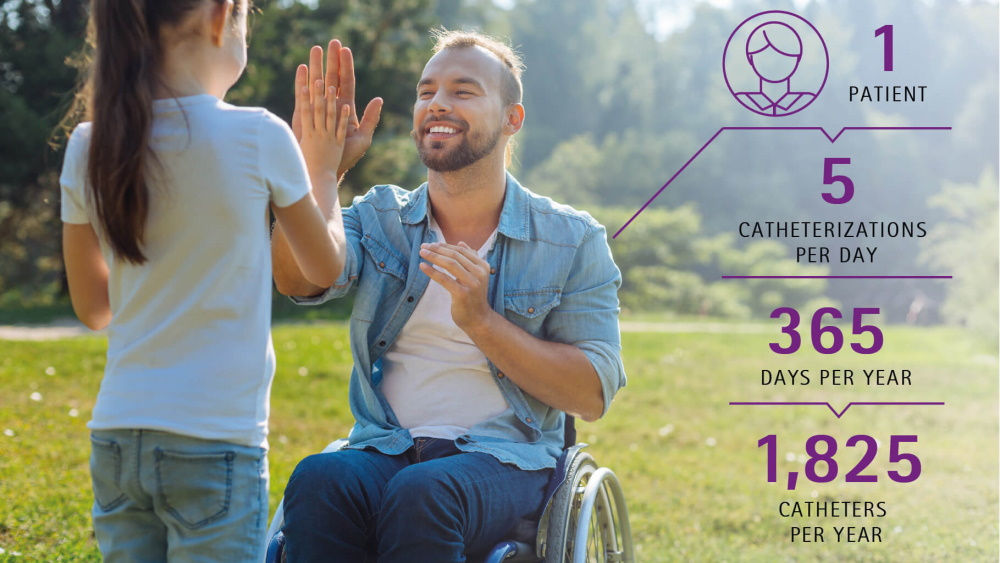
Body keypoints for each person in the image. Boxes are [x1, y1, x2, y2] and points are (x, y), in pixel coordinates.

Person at [272, 29, 626, 561]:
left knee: (426, 493)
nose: (437, 102)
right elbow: (298, 279)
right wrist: (318, 170)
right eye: (426, 90)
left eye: (463, 90)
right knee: (321, 477)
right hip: (383, 447)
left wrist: (481, 321)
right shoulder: (380, 218)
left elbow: (591, 393)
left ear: (512, 119)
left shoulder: (572, 239)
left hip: (507, 458)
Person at [59, 0, 350, 560]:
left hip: (118, 436)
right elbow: (324, 267)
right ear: (220, 17)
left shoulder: (87, 144)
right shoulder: (260, 135)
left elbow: (94, 308)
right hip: (216, 441)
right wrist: (324, 171)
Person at [734, 21, 816, 116]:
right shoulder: (744, 100)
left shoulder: (805, 100)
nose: (773, 62)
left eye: (785, 55)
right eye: (764, 54)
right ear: (750, 59)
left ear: (797, 60)